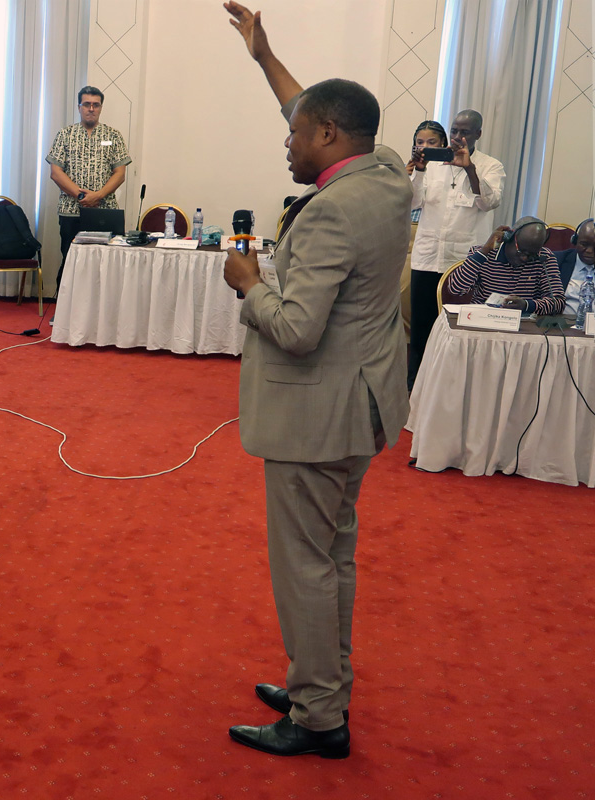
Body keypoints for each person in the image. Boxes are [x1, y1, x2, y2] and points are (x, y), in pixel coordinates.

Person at [221, 2, 412, 758]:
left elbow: (297, 329)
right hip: (361, 408)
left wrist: (249, 282)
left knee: (305, 564)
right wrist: (264, 56)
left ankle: (319, 717)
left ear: (330, 138)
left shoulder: (334, 211)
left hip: (317, 414)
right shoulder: (388, 174)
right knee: (333, 554)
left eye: (297, 133)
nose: (289, 139)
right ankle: (320, 682)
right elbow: (315, 105)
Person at [407, 109, 505, 389]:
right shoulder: (434, 163)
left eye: (465, 132)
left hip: (464, 263)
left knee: (459, 330)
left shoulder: (490, 166)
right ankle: (414, 388)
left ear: (478, 134)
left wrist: (469, 168)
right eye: (454, 131)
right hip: (427, 259)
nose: (458, 137)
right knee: (422, 328)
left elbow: (489, 202)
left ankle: (451, 388)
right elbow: (413, 203)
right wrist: (419, 169)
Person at [46, 86, 131, 291]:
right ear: (79, 107)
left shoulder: (113, 135)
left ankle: (102, 314)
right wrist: (82, 195)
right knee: (70, 260)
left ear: (101, 108)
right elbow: (56, 172)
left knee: (105, 263)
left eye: (96, 105)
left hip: (105, 211)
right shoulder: (65, 135)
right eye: (86, 104)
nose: (91, 109)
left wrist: (98, 195)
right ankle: (63, 314)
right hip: (71, 211)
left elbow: (120, 173)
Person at [442, 217, 564, 314]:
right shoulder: (483, 253)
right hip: (483, 321)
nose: (524, 258)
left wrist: (526, 305)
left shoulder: (544, 257)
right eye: (521, 252)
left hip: (524, 327)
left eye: (531, 255)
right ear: (509, 237)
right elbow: (455, 289)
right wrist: (484, 251)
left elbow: (558, 302)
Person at [400, 121, 448, 335]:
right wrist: (406, 176)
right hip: (403, 235)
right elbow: (406, 201)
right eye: (420, 142)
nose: (424, 146)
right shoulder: (410, 167)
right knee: (401, 295)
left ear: (443, 143)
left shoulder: (449, 169)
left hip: (427, 234)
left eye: (431, 142)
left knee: (417, 297)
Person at [556, 218, 595, 317]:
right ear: (575, 241)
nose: (589, 251)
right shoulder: (557, 261)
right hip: (562, 326)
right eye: (584, 244)